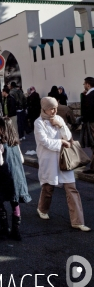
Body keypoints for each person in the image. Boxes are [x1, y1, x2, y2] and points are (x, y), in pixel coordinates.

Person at [34, 97, 90, 231]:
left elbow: (68, 136)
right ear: (44, 108)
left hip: (64, 158)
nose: (54, 111)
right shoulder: (39, 122)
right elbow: (44, 142)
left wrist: (61, 125)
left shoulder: (58, 119)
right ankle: (42, 209)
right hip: (48, 159)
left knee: (71, 188)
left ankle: (77, 221)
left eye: (55, 108)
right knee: (48, 187)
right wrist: (61, 143)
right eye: (51, 108)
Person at [0, 117, 31, 241]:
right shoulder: (15, 142)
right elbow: (22, 159)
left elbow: (0, 161)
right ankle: (16, 230)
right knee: (15, 201)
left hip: (6, 176)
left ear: (1, 129)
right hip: (18, 175)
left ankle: (4, 228)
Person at [81, 76, 94, 172]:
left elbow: (86, 111)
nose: (84, 85)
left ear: (88, 85)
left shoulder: (89, 96)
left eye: (84, 84)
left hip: (92, 123)